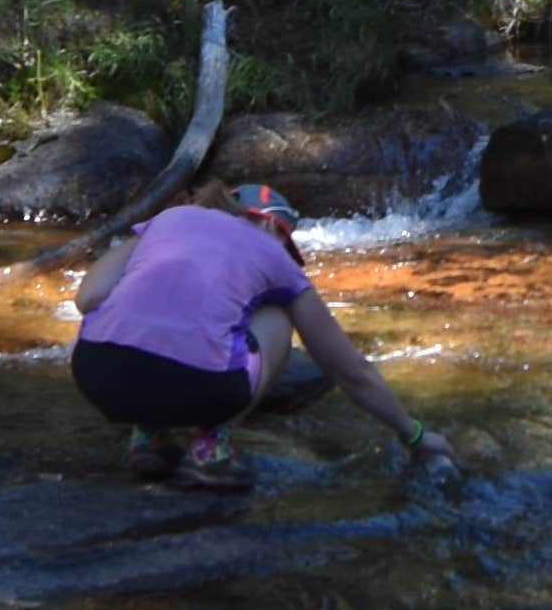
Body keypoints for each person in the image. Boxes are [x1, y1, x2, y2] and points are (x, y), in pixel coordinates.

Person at [71, 185, 449, 484]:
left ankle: (148, 436)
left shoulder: (169, 220)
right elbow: (349, 370)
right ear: (272, 226)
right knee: (277, 314)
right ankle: (209, 448)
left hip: (96, 375)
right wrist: (413, 434)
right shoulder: (275, 257)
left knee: (143, 310)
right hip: (201, 388)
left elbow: (88, 296)